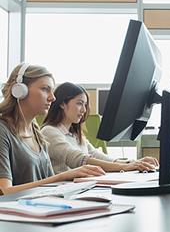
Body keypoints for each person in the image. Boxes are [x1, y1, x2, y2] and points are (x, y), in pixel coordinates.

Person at [0, 64, 106, 195]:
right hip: (13, 213)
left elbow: (50, 184)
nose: (52, 97)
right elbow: (4, 191)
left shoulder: (35, 132)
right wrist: (63, 176)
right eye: (45, 89)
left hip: (40, 208)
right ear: (20, 90)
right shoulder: (3, 130)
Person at [42, 82, 158, 174]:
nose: (84, 110)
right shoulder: (49, 132)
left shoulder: (75, 134)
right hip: (63, 192)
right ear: (62, 104)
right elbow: (79, 160)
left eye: (85, 105)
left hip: (79, 186)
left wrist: (133, 162)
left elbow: (96, 155)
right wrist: (126, 167)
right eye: (79, 103)